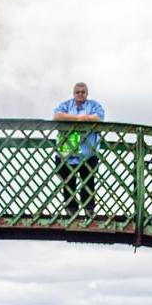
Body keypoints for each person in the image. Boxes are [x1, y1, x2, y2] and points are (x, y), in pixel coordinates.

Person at [52, 82, 104, 218]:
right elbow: (56, 116)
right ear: (73, 93)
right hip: (67, 153)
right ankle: (71, 210)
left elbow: (98, 118)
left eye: (83, 92)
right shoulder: (66, 104)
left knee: (88, 182)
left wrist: (72, 119)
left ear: (87, 93)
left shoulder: (94, 105)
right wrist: (79, 119)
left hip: (88, 153)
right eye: (77, 92)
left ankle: (89, 209)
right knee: (68, 182)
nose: (80, 94)